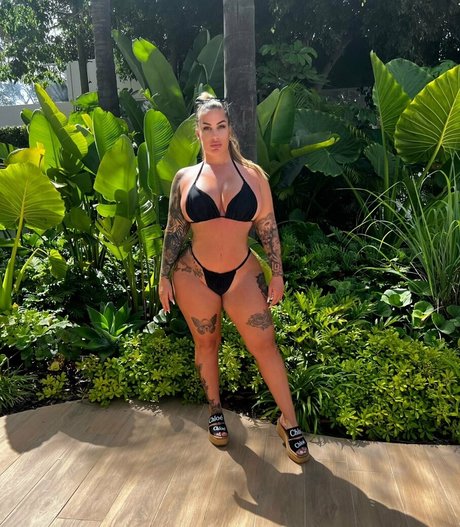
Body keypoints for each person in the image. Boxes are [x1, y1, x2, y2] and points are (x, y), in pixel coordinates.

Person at [158, 93, 310, 464]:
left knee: (265, 344)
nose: (215, 135)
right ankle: (215, 411)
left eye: (221, 126)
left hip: (243, 275)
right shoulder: (185, 179)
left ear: (230, 130)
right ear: (197, 133)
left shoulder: (254, 177)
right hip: (195, 275)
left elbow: (268, 227)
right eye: (207, 128)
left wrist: (277, 274)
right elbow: (174, 230)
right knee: (206, 343)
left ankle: (289, 421)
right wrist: (163, 277)